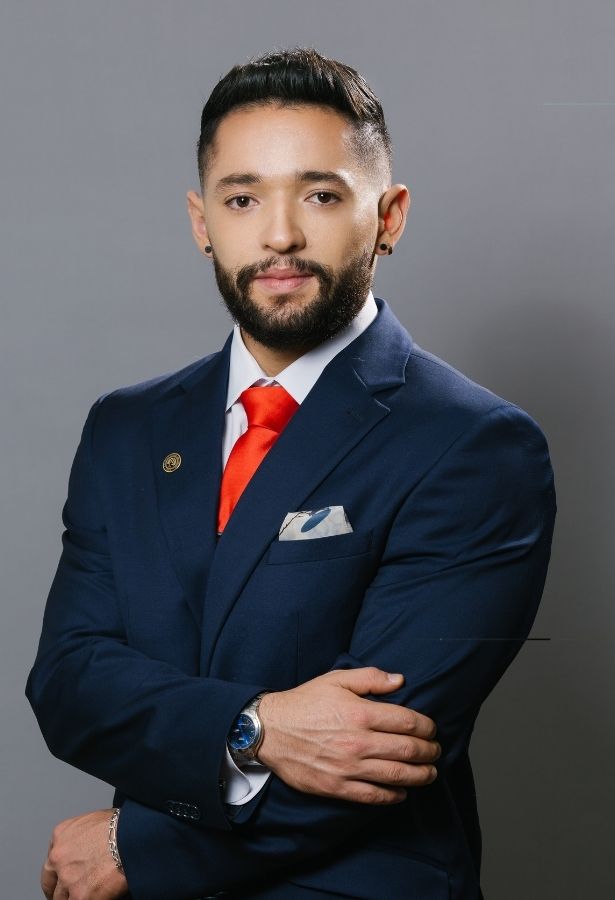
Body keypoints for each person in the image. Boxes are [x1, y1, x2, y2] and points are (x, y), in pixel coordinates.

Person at [26, 47, 556, 900]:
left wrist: (135, 848)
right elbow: (69, 683)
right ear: (202, 222)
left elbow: (379, 751)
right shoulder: (126, 428)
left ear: (387, 216)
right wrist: (255, 725)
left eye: (320, 195)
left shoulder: (474, 445)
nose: (278, 235)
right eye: (242, 199)